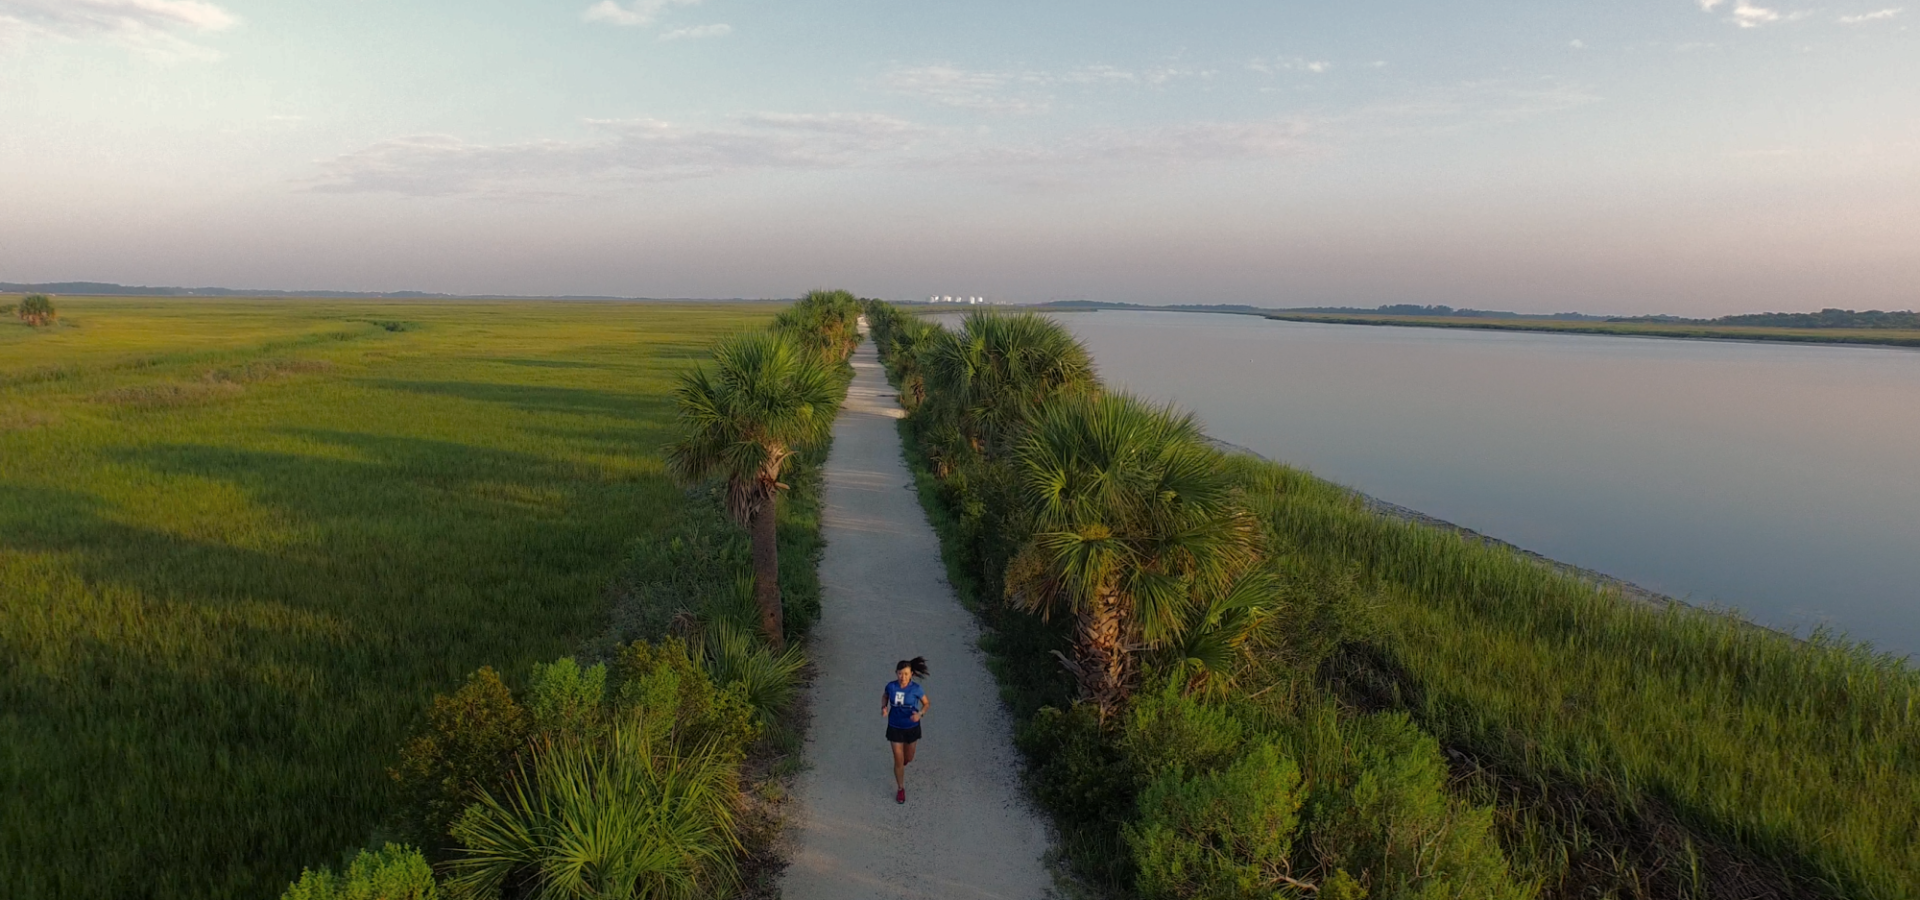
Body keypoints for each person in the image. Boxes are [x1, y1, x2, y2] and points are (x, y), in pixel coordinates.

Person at [882, 656, 929, 803]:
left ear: (912, 674)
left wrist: (920, 714)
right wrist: (884, 707)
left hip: (911, 727)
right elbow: (885, 696)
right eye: (900, 674)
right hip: (895, 727)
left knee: (908, 757)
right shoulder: (891, 686)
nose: (903, 677)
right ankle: (901, 789)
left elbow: (926, 704)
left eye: (906, 674)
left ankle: (904, 762)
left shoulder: (916, 689)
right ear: (896, 673)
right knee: (898, 759)